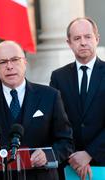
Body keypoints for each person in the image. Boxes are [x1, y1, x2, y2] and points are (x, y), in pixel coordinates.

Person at [0, 40, 74, 180]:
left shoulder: (50, 96)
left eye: (15, 60)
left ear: (25, 62)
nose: (9, 66)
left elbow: (66, 141)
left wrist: (48, 155)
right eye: (3, 62)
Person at [50, 17, 105, 180]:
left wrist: (89, 154)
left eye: (88, 37)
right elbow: (56, 121)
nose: (83, 42)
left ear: (97, 39)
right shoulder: (58, 77)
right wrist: (73, 156)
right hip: (70, 163)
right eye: (77, 38)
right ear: (69, 43)